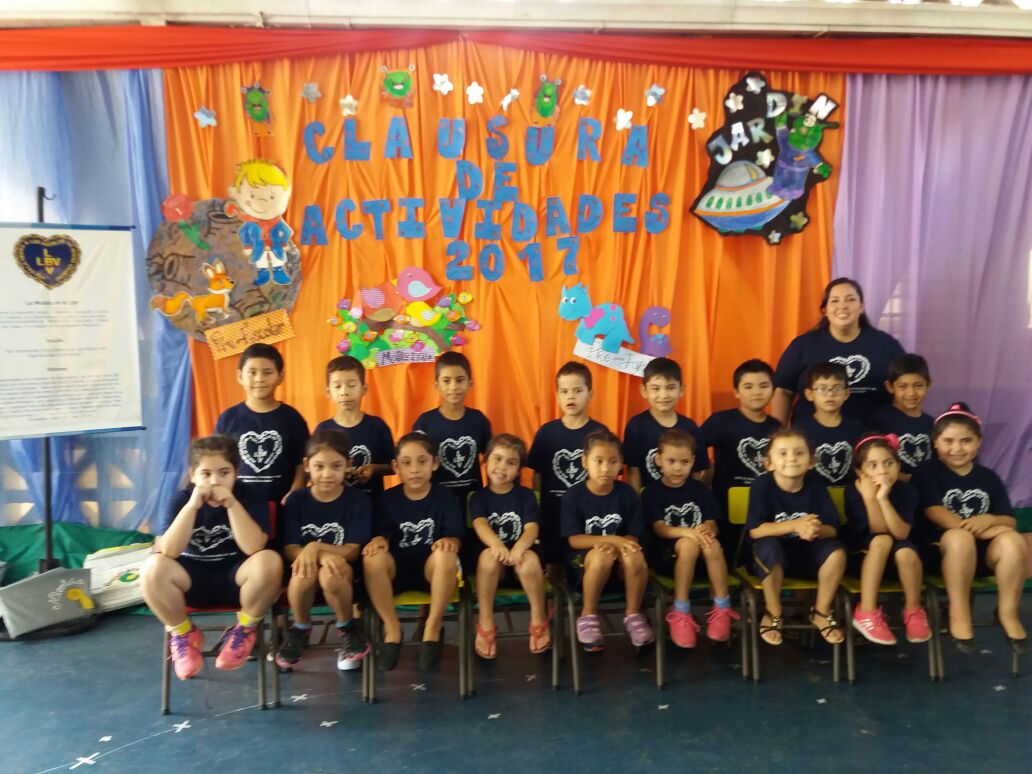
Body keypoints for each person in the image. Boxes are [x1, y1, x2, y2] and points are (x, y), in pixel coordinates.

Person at [141, 435, 282, 680]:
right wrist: (192, 507)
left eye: (224, 473)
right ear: (193, 475)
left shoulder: (250, 495)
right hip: (191, 581)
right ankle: (183, 634)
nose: (215, 481)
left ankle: (245, 630)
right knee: (152, 568)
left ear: (236, 472)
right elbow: (169, 551)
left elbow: (253, 547)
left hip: (237, 581)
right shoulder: (181, 499)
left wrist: (232, 504)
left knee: (270, 560)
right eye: (206, 474)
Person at [913, 403, 1028, 654]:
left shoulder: (988, 477)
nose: (957, 448)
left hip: (982, 556)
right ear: (936, 442)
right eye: (949, 441)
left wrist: (989, 519)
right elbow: (934, 511)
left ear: (978, 442)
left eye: (966, 441)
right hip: (939, 554)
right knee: (959, 538)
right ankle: (959, 611)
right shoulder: (927, 471)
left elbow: (1009, 521)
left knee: (1013, 541)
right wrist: (979, 530)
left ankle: (1007, 611)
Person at [362, 433, 464, 671]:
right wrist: (378, 540)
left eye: (422, 461)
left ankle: (432, 627)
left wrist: (450, 540)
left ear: (434, 463)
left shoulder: (445, 497)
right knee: (372, 557)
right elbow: (380, 533)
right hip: (398, 570)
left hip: (431, 572)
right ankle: (392, 629)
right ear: (396, 466)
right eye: (407, 463)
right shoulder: (387, 500)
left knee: (446, 554)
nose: (415, 469)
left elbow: (455, 536)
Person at [276, 430, 373, 670]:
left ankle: (347, 626)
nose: (327, 474)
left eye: (335, 466)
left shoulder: (358, 500)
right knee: (303, 573)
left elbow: (352, 551)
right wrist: (313, 555)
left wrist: (317, 547)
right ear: (307, 466)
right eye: (319, 466)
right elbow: (290, 549)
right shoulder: (297, 500)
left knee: (331, 573)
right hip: (304, 571)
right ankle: (300, 628)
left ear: (347, 465)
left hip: (344, 573)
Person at [746, 429, 846, 647]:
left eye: (799, 453)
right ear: (769, 463)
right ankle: (773, 611)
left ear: (811, 462)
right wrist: (794, 525)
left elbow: (832, 529)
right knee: (769, 548)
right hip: (772, 557)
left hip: (807, 556)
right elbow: (756, 531)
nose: (791, 458)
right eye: (783, 453)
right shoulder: (762, 486)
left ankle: (821, 611)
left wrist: (814, 529)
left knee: (836, 552)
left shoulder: (816, 485)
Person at [643, 430, 738, 648]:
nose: (678, 468)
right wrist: (689, 532)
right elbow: (660, 529)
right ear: (658, 460)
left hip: (703, 562)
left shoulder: (701, 490)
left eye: (684, 462)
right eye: (671, 461)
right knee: (688, 545)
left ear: (693, 461)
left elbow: (713, 524)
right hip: (667, 560)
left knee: (712, 543)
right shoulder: (652, 492)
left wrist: (706, 528)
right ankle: (681, 610)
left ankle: (722, 606)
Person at [561, 430, 653, 652]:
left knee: (634, 554)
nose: (605, 468)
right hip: (584, 565)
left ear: (620, 463)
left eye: (612, 462)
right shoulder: (573, 496)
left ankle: (633, 614)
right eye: (599, 461)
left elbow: (632, 535)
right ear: (585, 462)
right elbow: (574, 540)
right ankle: (588, 615)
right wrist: (611, 540)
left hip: (619, 564)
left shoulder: (627, 494)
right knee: (601, 555)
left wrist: (620, 546)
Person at [771, 277, 904, 426]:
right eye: (834, 301)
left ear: (861, 307)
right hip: (811, 434)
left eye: (850, 299)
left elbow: (905, 385)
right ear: (825, 310)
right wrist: (779, 432)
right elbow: (783, 391)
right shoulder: (803, 345)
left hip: (874, 435)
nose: (842, 306)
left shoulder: (886, 345)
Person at [842, 435, 931, 646]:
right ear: (860, 472)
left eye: (888, 463)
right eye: (873, 465)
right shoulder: (854, 490)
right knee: (882, 540)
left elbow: (901, 533)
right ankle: (866, 611)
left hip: (897, 556)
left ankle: (913, 610)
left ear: (898, 466)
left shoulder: (907, 491)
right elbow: (877, 529)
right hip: (862, 557)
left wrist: (882, 498)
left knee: (906, 552)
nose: (882, 471)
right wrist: (869, 497)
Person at [470, 434, 549, 659]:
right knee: (488, 556)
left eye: (511, 462)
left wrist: (519, 548)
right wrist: (497, 545)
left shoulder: (526, 496)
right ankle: (486, 619)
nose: (502, 467)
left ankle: (538, 616)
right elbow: (480, 524)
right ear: (485, 461)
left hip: (521, 563)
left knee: (529, 559)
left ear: (519, 470)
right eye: (497, 459)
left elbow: (531, 528)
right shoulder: (478, 497)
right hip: (493, 570)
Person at [529, 361, 608, 572]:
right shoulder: (546, 432)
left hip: (587, 514)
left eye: (577, 390)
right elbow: (537, 475)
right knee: (553, 567)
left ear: (590, 394)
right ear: (557, 395)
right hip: (552, 511)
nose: (570, 396)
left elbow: (608, 474)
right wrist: (538, 506)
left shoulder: (600, 433)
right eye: (564, 391)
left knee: (584, 565)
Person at [698, 359, 781, 560]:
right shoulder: (721, 421)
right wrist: (703, 477)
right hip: (725, 508)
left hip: (764, 507)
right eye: (748, 387)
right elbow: (693, 447)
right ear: (736, 392)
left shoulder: (777, 427)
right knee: (727, 556)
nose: (756, 392)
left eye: (763, 386)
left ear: (773, 390)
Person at [215, 343, 309, 506]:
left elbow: (302, 463)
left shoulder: (292, 418)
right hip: (237, 507)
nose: (259, 378)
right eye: (252, 372)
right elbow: (217, 462)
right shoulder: (228, 419)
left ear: (280, 376)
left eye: (267, 372)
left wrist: (294, 494)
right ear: (240, 376)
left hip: (282, 507)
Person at [412, 351, 492, 507]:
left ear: (470, 383)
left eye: (460, 380)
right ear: (437, 385)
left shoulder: (478, 420)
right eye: (446, 381)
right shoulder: (425, 423)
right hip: (437, 504)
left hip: (473, 503)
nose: (453, 387)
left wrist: (491, 495)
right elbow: (416, 463)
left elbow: (491, 460)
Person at [623, 357, 708, 491]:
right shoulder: (636, 426)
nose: (663, 395)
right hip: (649, 500)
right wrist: (637, 501)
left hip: (684, 499)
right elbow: (633, 471)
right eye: (656, 388)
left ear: (681, 389)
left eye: (670, 388)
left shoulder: (690, 427)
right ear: (644, 391)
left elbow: (696, 473)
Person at [315, 355, 394, 499]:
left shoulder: (378, 427)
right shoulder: (323, 430)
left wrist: (374, 469)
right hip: (335, 505)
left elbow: (393, 466)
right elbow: (314, 469)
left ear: (364, 389)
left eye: (351, 385)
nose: (344, 392)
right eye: (337, 386)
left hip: (372, 504)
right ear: (328, 392)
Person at [792, 362, 866, 485]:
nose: (830, 394)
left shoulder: (856, 427)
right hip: (813, 493)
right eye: (822, 389)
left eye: (837, 388)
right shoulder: (800, 429)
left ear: (846, 393)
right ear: (809, 394)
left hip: (850, 491)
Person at [868, 353, 935, 481]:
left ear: (929, 384)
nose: (911, 393)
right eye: (903, 386)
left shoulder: (932, 423)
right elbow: (871, 464)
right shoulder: (879, 421)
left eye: (918, 385)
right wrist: (907, 479)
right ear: (890, 387)